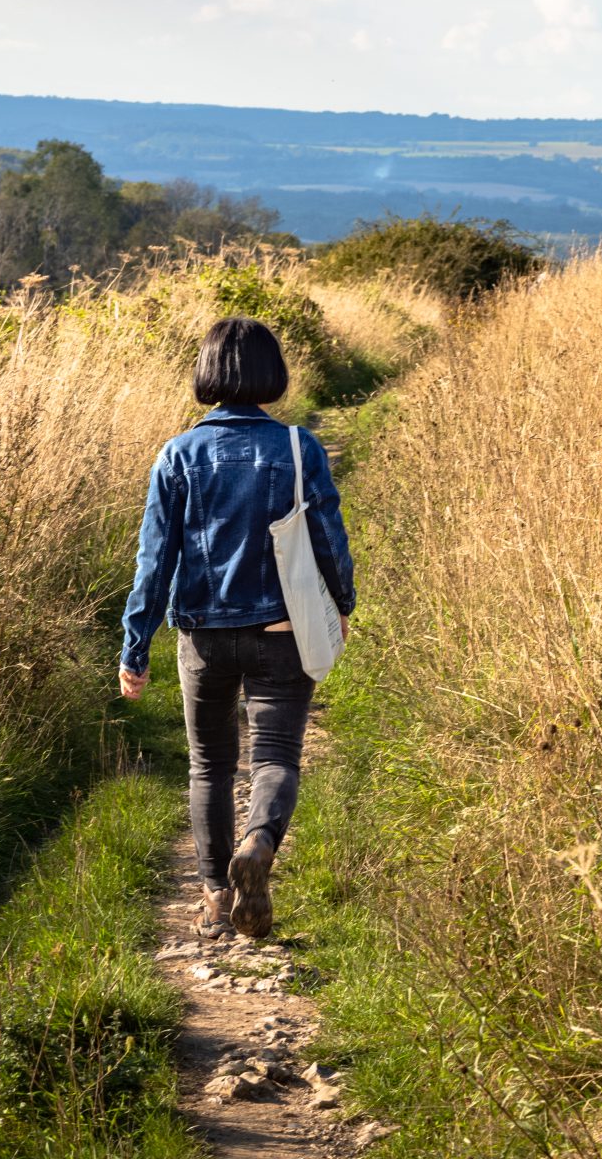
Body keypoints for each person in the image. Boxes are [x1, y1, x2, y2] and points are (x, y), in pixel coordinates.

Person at [119, 316, 355, 940]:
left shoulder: (179, 454)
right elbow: (329, 540)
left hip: (202, 632)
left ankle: (216, 899)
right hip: (284, 629)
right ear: (271, 374)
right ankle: (258, 842)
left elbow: (155, 559)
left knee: (209, 766)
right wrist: (342, 605)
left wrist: (135, 645)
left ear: (208, 375)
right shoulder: (300, 449)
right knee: (276, 754)